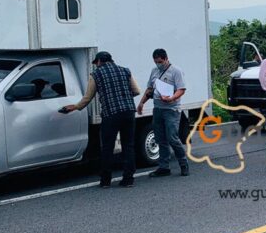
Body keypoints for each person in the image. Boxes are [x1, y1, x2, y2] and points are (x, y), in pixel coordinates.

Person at [62, 51, 141, 188]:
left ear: (99, 61)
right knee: (128, 145)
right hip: (128, 112)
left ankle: (106, 180)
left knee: (107, 147)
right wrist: (124, 97)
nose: (96, 65)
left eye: (96, 63)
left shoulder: (96, 75)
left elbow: (88, 97)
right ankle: (128, 179)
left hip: (111, 114)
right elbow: (136, 91)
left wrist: (75, 107)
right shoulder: (125, 70)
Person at [138, 48, 189, 177]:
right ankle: (164, 167)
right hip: (158, 108)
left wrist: (172, 98)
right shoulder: (154, 71)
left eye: (160, 61)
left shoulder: (176, 71)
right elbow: (150, 89)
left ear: (166, 59)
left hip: (171, 109)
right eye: (156, 62)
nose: (158, 64)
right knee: (160, 138)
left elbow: (181, 89)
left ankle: (184, 164)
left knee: (172, 138)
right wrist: (142, 102)